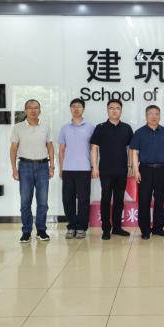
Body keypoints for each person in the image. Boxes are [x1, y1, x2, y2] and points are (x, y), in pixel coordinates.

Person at [10, 99, 55, 243]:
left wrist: (52, 166)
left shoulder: (46, 127)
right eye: (30, 108)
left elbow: (50, 147)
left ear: (40, 111)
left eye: (36, 108)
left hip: (43, 166)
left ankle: (41, 230)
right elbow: (13, 149)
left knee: (42, 201)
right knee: (25, 201)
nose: (33, 110)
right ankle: (26, 231)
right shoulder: (18, 127)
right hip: (25, 166)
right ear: (25, 111)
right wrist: (14, 168)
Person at [91, 99, 134, 240]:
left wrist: (130, 166)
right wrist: (95, 167)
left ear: (121, 111)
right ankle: (106, 229)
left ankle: (117, 228)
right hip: (105, 170)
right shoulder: (100, 127)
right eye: (111, 108)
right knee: (105, 200)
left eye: (117, 108)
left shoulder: (127, 128)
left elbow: (130, 148)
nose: (114, 111)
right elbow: (94, 148)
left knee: (119, 200)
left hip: (122, 170)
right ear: (107, 110)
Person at [130, 105, 164, 240]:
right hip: (145, 169)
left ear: (160, 116)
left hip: (162, 169)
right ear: (146, 116)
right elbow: (135, 153)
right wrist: (136, 170)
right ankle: (145, 229)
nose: (153, 116)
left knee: (160, 199)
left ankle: (158, 228)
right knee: (144, 200)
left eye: (156, 114)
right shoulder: (139, 133)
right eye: (150, 114)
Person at [58, 98, 95, 239]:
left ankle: (82, 227)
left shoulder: (91, 127)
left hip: (84, 169)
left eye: (79, 106)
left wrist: (94, 167)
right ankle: (71, 226)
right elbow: (62, 149)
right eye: (73, 106)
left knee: (84, 199)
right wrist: (61, 168)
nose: (76, 109)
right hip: (68, 169)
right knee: (68, 199)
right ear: (70, 109)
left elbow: (94, 149)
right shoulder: (64, 128)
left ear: (83, 109)